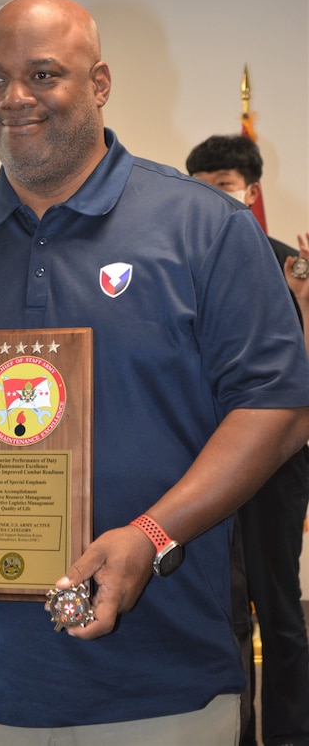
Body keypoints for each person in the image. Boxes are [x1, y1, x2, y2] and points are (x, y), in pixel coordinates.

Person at [0, 0, 309, 745]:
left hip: (165, 675)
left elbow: (278, 410)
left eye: (43, 74)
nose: (14, 100)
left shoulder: (204, 227)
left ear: (99, 84)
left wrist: (151, 534)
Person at [186, 134, 309, 746]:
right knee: (225, 613)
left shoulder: (291, 267)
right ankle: (234, 734)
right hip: (208, 466)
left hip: (279, 467)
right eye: (203, 191)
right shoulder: (180, 264)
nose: (217, 202)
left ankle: (289, 735)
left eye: (227, 190)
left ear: (252, 191)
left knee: (281, 615)